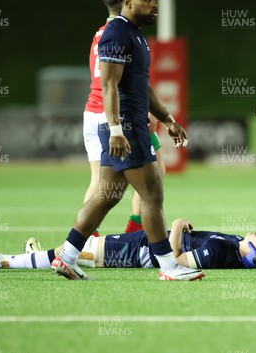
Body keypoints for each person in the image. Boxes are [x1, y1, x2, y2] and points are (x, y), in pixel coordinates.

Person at [51, 0, 203, 281]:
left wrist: (168, 119)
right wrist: (117, 129)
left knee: (106, 195)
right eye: (148, 0)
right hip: (128, 127)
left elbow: (142, 84)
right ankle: (169, 267)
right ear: (128, 3)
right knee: (152, 193)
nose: (154, 4)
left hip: (128, 125)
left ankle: (67, 257)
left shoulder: (133, 33)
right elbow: (109, 84)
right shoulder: (118, 32)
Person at [83, 0, 165, 236]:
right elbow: (116, 82)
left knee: (102, 186)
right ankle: (135, 235)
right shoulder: (122, 31)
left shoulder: (101, 32)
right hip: (115, 113)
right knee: (152, 178)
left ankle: (82, 243)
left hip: (94, 111)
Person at [0, 219, 256, 271]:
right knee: (81, 246)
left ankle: (3, 261)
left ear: (253, 254)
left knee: (72, 253)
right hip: (142, 241)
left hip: (136, 253)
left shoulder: (222, 253)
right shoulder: (233, 243)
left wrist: (178, 226)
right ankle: (34, 255)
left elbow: (177, 261)